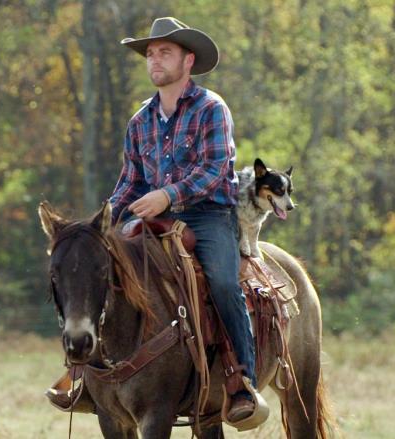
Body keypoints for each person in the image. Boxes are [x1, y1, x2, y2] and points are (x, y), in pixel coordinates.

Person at [109, 17, 261, 422]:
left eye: (165, 53)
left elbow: (215, 169)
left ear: (188, 60)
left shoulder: (211, 108)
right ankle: (91, 376)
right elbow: (130, 181)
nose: (155, 60)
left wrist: (167, 195)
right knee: (102, 271)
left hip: (207, 214)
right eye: (151, 54)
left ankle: (240, 378)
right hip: (153, 216)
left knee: (225, 283)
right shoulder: (140, 120)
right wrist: (104, 222)